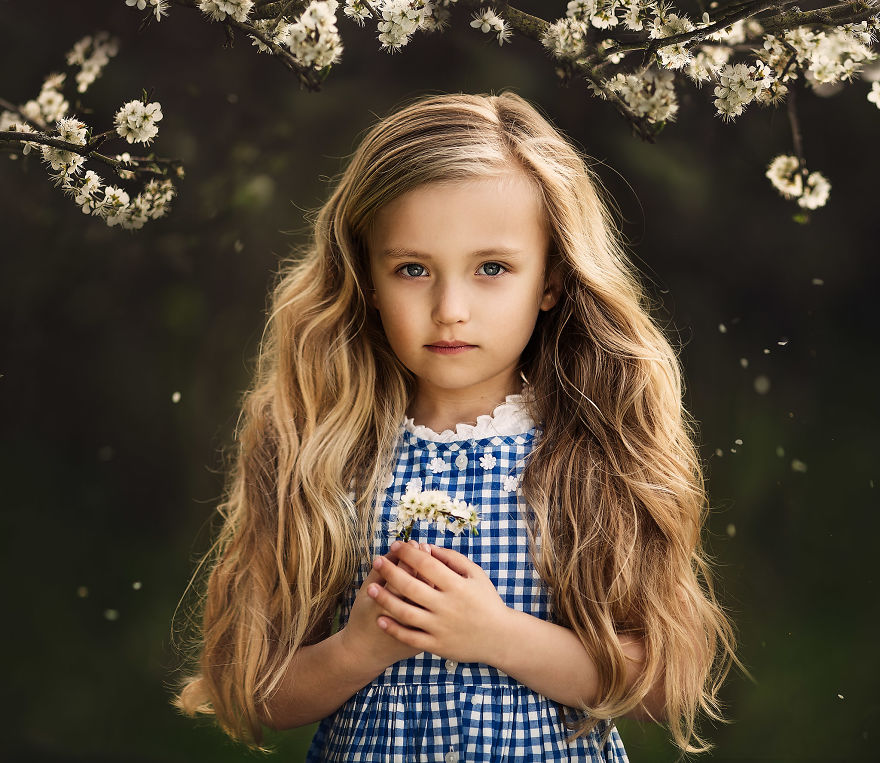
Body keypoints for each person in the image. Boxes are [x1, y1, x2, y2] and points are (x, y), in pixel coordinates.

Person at [172, 91, 739, 761]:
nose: (450, 309)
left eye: (491, 268)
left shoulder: (589, 448)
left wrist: (499, 635)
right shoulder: (325, 448)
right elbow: (255, 691)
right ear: (367, 279)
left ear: (551, 279)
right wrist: (358, 649)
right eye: (413, 269)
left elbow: (665, 682)